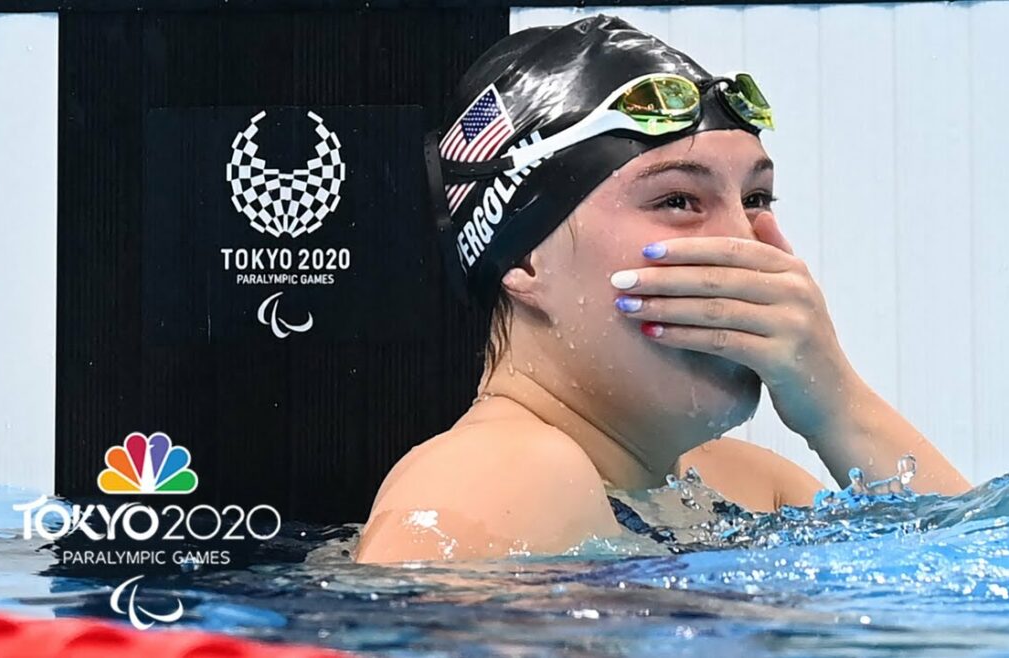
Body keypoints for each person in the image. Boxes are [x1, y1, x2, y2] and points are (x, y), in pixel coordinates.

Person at [355, 15, 969, 565]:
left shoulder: (744, 485)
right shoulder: (501, 477)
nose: (744, 244)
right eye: (678, 200)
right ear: (523, 258)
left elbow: (968, 603)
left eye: (756, 199)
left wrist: (836, 403)